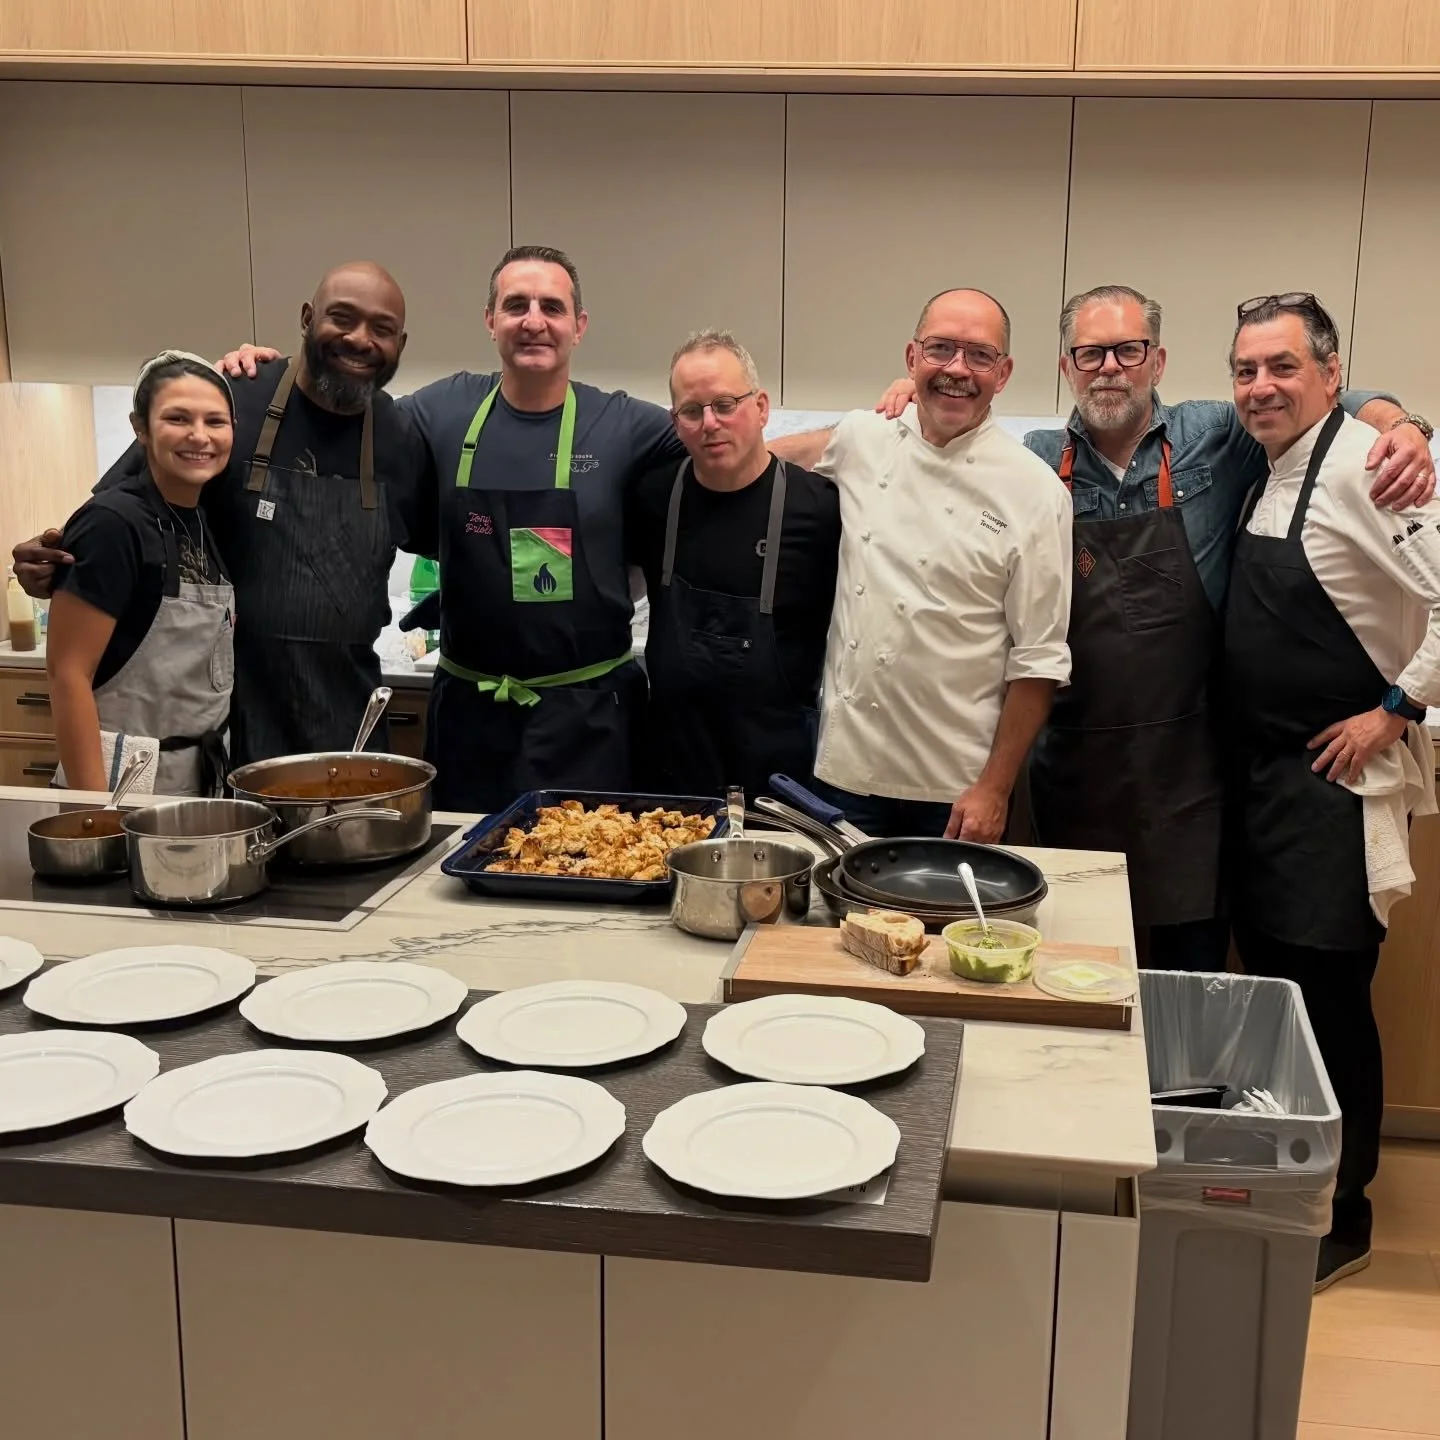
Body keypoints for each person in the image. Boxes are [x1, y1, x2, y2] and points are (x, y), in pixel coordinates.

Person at [878, 284, 1434, 968]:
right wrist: (912, 395)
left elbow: (1329, 399)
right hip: (1075, 767)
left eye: (1127, 350)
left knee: (1190, 980)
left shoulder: (1218, 434)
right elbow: (939, 457)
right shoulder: (1030, 459)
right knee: (1071, 969)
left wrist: (1404, 422)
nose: (1109, 366)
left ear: (1157, 361)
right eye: (1090, 353)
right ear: (1066, 368)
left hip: (1193, 775)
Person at [1223, 292, 1440, 1291]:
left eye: (1281, 368)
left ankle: (1342, 1209)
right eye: (1246, 371)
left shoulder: (1367, 463)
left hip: (1332, 782)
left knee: (1332, 998)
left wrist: (1396, 705)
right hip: (1261, 775)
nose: (1261, 387)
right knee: (1280, 989)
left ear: (1331, 372)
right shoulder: (1267, 467)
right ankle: (1289, 1176)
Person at [14, 262, 431, 771]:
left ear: (400, 344)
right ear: (306, 318)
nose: (360, 339)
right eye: (342, 317)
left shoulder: (401, 436)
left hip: (349, 718)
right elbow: (121, 519)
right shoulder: (235, 397)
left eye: (381, 328)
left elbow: (450, 542)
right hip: (228, 719)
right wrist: (57, 564)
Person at [779, 288, 1073, 840]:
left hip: (955, 793)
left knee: (948, 929)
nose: (957, 369)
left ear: (1003, 373)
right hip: (845, 773)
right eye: (940, 350)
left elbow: (1038, 663)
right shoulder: (863, 437)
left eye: (979, 355)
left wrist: (995, 788)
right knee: (847, 926)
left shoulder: (1035, 492)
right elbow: (764, 461)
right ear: (911, 358)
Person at [627, 329, 840, 799]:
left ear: (761, 407)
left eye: (726, 404)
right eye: (691, 410)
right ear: (675, 420)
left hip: (781, 785)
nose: (710, 423)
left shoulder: (822, 508)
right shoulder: (652, 497)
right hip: (672, 779)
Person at [48, 352, 236, 796]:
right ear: (140, 428)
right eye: (178, 418)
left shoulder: (200, 520)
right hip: (119, 788)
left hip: (193, 784)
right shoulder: (111, 524)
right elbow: (66, 673)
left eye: (215, 421)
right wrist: (96, 815)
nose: (199, 436)